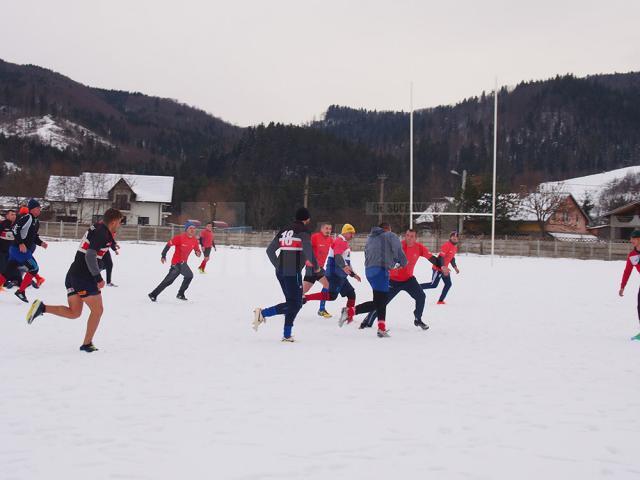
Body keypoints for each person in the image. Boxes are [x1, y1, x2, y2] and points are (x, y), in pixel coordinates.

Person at [25, 208, 123, 352]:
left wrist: (113, 245)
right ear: (113, 222)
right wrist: (98, 278)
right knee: (98, 310)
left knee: (74, 313)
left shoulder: (99, 227)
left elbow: (102, 240)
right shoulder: (102, 233)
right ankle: (87, 343)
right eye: (119, 222)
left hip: (73, 274)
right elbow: (90, 255)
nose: (120, 225)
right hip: (84, 277)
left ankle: (42, 307)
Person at [360, 229, 447, 330]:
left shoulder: (419, 247)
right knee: (381, 302)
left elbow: (433, 259)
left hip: (408, 279)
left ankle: (418, 319)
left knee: (421, 297)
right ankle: (368, 321)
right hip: (393, 280)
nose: (409, 238)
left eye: (412, 236)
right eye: (407, 235)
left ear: (415, 238)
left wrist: (442, 266)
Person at [253, 207, 314, 342]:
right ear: (306, 219)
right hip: (293, 272)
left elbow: (270, 251)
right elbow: (308, 250)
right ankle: (262, 313)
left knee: (292, 302)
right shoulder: (303, 231)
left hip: (281, 272)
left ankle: (287, 334)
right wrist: (315, 265)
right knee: (295, 304)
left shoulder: (284, 230)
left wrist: (279, 266)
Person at [347, 223, 407, 337]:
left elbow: (367, 253)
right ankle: (350, 311)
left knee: (379, 300)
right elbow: (398, 251)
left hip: (369, 271)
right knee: (381, 301)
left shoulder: (370, 238)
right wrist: (402, 263)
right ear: (387, 229)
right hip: (380, 270)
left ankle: (381, 328)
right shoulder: (390, 235)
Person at [304, 223, 361, 322]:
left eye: (353, 233)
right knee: (331, 296)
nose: (352, 236)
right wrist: (344, 267)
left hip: (340, 275)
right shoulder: (340, 242)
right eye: (351, 233)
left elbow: (346, 261)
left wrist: (353, 274)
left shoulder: (341, 242)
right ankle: (305, 299)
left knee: (351, 294)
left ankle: (348, 316)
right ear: (346, 232)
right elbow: (338, 256)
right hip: (335, 274)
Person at [0, 199, 48, 302]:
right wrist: (21, 243)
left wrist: (41, 243)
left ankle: (21, 290)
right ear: (31, 209)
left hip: (16, 250)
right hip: (18, 250)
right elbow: (15, 230)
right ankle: (21, 291)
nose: (39, 210)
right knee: (34, 268)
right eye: (37, 208)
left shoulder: (36, 221)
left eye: (40, 208)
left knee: (6, 272)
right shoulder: (27, 218)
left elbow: (34, 236)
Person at [148, 222, 202, 301]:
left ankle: (179, 294)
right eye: (190, 228)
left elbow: (197, 251)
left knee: (183, 277)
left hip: (183, 263)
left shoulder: (194, 240)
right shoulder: (179, 238)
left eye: (194, 228)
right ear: (186, 229)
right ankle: (154, 294)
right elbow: (168, 245)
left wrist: (198, 253)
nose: (192, 230)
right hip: (176, 263)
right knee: (173, 280)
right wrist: (163, 255)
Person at [303, 222, 334, 318]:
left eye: (330, 229)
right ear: (321, 229)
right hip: (311, 267)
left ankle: (288, 306)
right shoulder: (315, 237)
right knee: (327, 284)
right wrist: (307, 259)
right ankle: (321, 309)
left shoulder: (330, 239)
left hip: (319, 267)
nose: (328, 230)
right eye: (326, 228)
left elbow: (336, 249)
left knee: (303, 290)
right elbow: (306, 248)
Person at [421, 231, 460, 304]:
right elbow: (440, 257)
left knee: (448, 284)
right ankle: (415, 288)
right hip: (438, 268)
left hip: (445, 270)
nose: (455, 238)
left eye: (456, 237)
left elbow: (451, 258)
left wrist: (455, 267)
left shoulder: (455, 247)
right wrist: (442, 267)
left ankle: (440, 301)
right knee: (433, 285)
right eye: (453, 236)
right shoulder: (447, 245)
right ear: (450, 237)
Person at [620, 229, 640, 340]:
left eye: (633, 238)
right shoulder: (632, 255)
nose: (631, 240)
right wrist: (623, 286)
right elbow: (627, 271)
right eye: (631, 238)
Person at [0, 209, 22, 289]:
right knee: (3, 267)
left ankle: (18, 280)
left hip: (13, 250)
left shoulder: (17, 225)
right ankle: (4, 282)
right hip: (3, 250)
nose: (14, 216)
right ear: (7, 216)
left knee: (14, 266)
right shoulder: (3, 224)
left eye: (15, 214)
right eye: (12, 214)